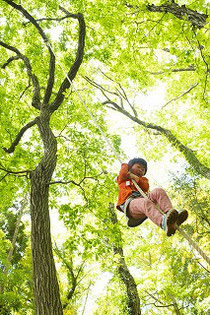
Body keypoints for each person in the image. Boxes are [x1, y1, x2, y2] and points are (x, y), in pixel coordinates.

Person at [116, 158, 188, 236]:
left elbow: (145, 187)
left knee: (158, 191)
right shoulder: (122, 180)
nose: (140, 170)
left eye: (143, 170)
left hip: (143, 200)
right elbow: (123, 173)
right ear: (130, 167)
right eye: (138, 167)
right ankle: (163, 223)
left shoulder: (143, 180)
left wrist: (137, 179)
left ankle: (170, 216)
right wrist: (126, 165)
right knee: (145, 202)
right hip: (130, 204)